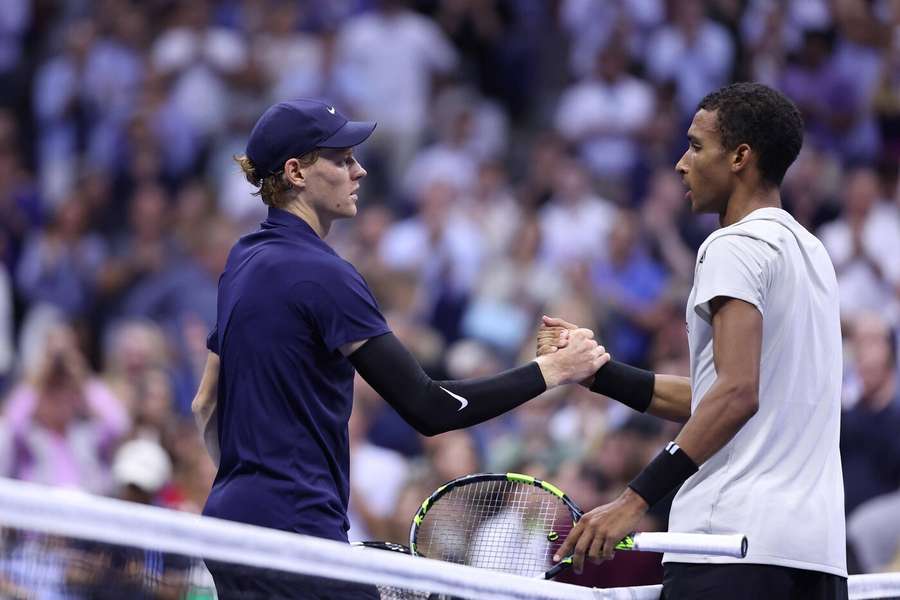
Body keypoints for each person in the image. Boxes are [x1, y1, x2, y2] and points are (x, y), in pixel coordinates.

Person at [190, 99, 607, 599]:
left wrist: (247, 485)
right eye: (342, 159)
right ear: (296, 172)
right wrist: (552, 370)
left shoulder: (241, 260)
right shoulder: (324, 273)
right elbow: (428, 407)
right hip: (295, 532)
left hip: (229, 523)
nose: (359, 171)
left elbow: (205, 403)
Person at [539, 83, 847, 599]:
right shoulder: (813, 253)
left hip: (728, 546)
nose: (681, 164)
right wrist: (598, 374)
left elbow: (736, 395)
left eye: (696, 147)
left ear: (740, 157)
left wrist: (634, 501)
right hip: (816, 556)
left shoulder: (732, 245)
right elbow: (726, 395)